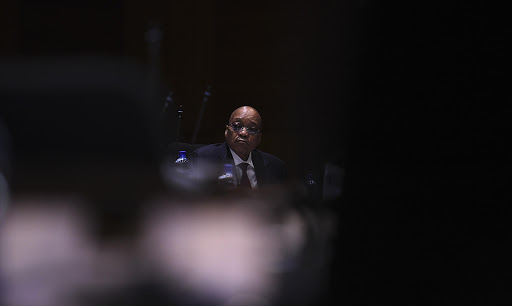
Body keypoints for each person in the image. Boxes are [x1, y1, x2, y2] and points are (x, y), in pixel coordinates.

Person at [190, 106, 286, 188]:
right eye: (237, 126)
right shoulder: (204, 159)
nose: (243, 133)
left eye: (252, 129)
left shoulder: (275, 167)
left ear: (259, 138)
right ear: (227, 131)